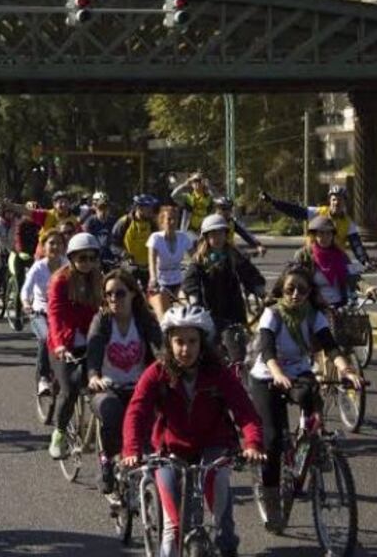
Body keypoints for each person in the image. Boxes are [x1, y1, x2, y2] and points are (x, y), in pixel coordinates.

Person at [122, 304, 265, 557]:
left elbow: (245, 411)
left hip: (213, 445)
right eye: (178, 341)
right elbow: (136, 411)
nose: (185, 349)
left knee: (219, 490)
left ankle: (227, 544)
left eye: (192, 341)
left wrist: (252, 443)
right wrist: (132, 449)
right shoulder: (157, 373)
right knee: (173, 526)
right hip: (170, 450)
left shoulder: (218, 373)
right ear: (168, 342)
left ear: (202, 343)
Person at [247, 266, 361, 530]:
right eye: (290, 289)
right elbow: (266, 349)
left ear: (310, 293)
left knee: (312, 397)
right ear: (281, 290)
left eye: (302, 289)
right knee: (273, 441)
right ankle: (273, 499)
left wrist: (346, 370)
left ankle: (312, 445)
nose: (296, 294)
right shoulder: (272, 313)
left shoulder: (313, 315)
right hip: (267, 375)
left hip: (297, 372)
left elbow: (329, 345)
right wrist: (276, 373)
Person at [86, 269, 162, 494]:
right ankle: (107, 460)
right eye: (108, 294)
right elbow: (94, 350)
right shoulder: (102, 320)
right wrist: (93, 376)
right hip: (107, 388)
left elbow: (160, 350)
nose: (113, 299)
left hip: (140, 387)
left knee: (156, 418)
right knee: (112, 411)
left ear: (132, 294)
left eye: (119, 293)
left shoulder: (144, 320)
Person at [46, 232, 103, 460]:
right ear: (71, 258)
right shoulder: (60, 280)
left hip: (92, 340)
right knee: (69, 390)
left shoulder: (100, 279)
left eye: (91, 258)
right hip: (64, 343)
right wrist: (59, 345)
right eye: (82, 258)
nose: (87, 263)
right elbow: (55, 315)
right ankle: (58, 434)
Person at [182, 214, 266, 367]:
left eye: (220, 233)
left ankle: (238, 381)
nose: (217, 237)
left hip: (234, 314)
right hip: (208, 314)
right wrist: (193, 296)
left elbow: (249, 273)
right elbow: (190, 280)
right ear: (205, 237)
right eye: (213, 233)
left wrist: (258, 288)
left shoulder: (234, 255)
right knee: (209, 355)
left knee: (238, 354)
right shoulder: (200, 260)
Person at [261, 184, 377, 271]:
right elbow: (295, 210)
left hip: (334, 259)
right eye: (334, 199)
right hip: (313, 256)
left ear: (345, 202)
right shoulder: (319, 212)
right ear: (329, 201)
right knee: (296, 268)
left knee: (350, 280)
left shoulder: (348, 223)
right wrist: (273, 202)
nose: (336, 203)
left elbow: (356, 245)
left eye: (340, 200)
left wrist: (365, 261)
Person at [293, 216, 376, 309]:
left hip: (340, 305)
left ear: (333, 235)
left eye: (328, 233)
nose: (325, 237)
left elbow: (354, 277)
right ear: (314, 235)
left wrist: (367, 288)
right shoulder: (303, 255)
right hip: (313, 307)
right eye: (321, 233)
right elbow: (293, 281)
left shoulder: (341, 255)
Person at [22, 229, 68, 397]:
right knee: (45, 337)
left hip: (62, 312)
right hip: (40, 312)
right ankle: (43, 377)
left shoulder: (67, 266)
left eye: (59, 243)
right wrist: (26, 303)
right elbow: (25, 290)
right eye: (51, 243)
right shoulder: (38, 267)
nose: (55, 247)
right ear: (44, 246)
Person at [146, 204, 194, 320]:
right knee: (165, 317)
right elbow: (151, 262)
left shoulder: (183, 237)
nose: (172, 222)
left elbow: (196, 257)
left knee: (189, 308)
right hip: (160, 283)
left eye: (175, 219)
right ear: (162, 221)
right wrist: (153, 278)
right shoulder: (155, 238)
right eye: (169, 219)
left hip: (178, 281)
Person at [111, 194, 160, 287]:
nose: (151, 211)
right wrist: (123, 253)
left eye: (151, 208)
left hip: (148, 266)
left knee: (150, 293)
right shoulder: (124, 222)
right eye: (148, 208)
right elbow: (113, 244)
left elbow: (158, 243)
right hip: (130, 265)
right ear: (139, 208)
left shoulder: (152, 223)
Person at [9, 202, 43, 330]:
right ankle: (17, 317)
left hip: (34, 256)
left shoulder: (39, 225)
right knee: (21, 285)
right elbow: (18, 241)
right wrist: (22, 250)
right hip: (19, 257)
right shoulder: (20, 224)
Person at [171, 172, 215, 237]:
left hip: (204, 230)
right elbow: (173, 195)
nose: (197, 183)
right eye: (194, 181)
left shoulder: (209, 197)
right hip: (189, 230)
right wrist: (184, 184)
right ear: (191, 183)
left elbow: (218, 199)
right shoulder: (188, 197)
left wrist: (209, 187)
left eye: (199, 181)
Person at [83, 192, 117, 267]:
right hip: (95, 257)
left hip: (110, 257)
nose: (103, 211)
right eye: (100, 208)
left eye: (106, 208)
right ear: (95, 208)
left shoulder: (113, 221)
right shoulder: (90, 222)